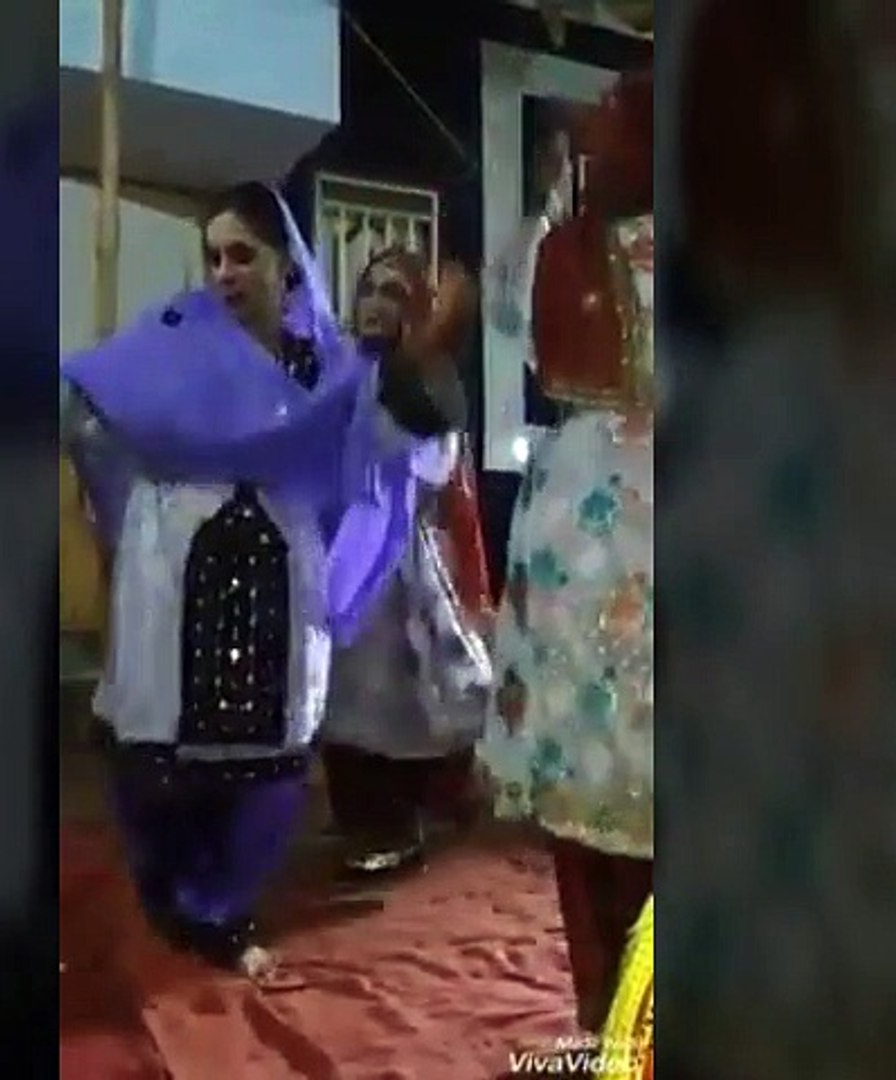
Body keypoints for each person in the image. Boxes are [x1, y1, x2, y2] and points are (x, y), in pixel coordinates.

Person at [61, 182, 470, 983]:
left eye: (242, 255)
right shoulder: (172, 337)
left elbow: (392, 441)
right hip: (178, 560)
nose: (224, 271)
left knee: (271, 759)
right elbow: (92, 412)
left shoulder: (328, 368)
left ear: (286, 264)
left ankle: (222, 905)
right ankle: (169, 894)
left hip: (280, 565)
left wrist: (422, 365)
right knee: (159, 753)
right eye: (213, 256)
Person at [478, 72, 654, 1035]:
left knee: (589, 826)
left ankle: (607, 1022)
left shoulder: (558, 253)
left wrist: (548, 206)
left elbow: (504, 307)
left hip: (578, 535)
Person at [320, 246, 494, 876]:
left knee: (406, 694)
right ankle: (365, 821)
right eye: (369, 289)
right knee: (339, 698)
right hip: (338, 561)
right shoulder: (334, 371)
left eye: (393, 293)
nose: (375, 303)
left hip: (400, 565)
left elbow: (437, 470)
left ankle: (401, 819)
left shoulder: (426, 382)